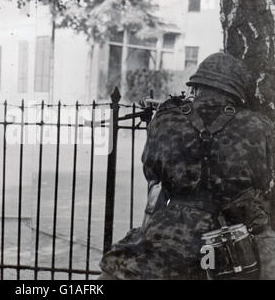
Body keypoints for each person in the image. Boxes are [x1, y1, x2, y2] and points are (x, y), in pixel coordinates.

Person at [99, 52, 275, 279]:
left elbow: (151, 171)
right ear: (236, 93)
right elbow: (263, 179)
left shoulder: (166, 119)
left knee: (115, 271)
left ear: (197, 87)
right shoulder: (259, 127)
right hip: (235, 239)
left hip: (172, 235)